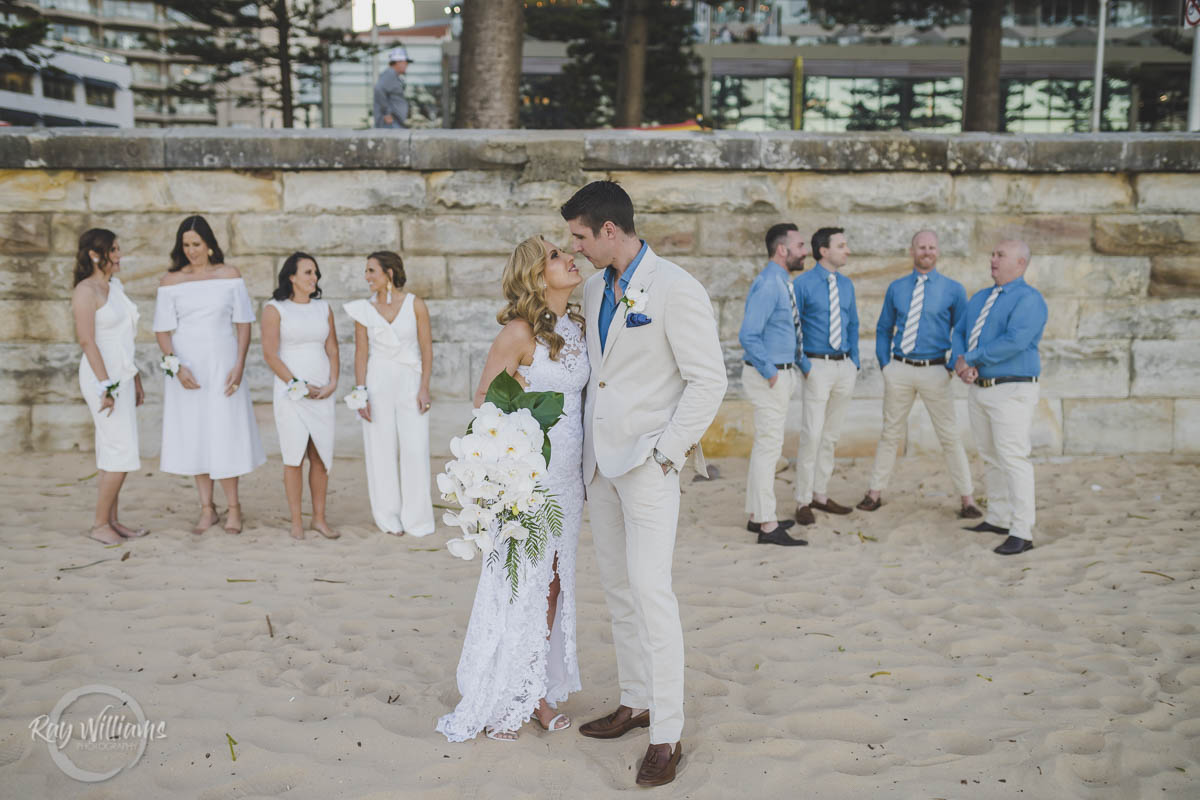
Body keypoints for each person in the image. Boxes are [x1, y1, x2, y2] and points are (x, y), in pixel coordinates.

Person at [564, 181, 726, 788]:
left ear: (609, 231)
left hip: (649, 464)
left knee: (652, 593)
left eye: (579, 235)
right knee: (617, 588)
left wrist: (666, 454)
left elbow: (708, 381)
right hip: (599, 466)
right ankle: (636, 702)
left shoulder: (676, 288)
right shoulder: (588, 285)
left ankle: (668, 733)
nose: (572, 246)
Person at [437, 236, 588, 743]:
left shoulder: (576, 327)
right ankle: (521, 695)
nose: (570, 257)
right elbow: (485, 400)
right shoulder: (519, 332)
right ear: (535, 274)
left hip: (571, 477)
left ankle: (535, 683)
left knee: (555, 584)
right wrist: (519, 454)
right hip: (532, 478)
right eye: (555, 255)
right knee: (524, 581)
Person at [857, 231, 982, 518]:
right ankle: (874, 493)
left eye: (932, 247)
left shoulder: (953, 290)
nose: (927, 251)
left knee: (949, 435)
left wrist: (952, 366)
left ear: (938, 252)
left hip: (936, 370)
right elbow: (883, 328)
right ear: (912, 251)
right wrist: (885, 364)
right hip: (899, 369)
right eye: (921, 247)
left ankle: (968, 499)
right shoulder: (896, 288)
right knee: (890, 433)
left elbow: (961, 331)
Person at [154, 215, 265, 535]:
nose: (191, 250)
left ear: (209, 244)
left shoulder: (229, 276)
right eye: (186, 245)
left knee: (224, 433)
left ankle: (234, 508)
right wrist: (175, 366)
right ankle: (207, 508)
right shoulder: (170, 281)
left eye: (196, 244)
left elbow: (244, 323)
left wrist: (240, 364)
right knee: (196, 434)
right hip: (188, 368)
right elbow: (162, 331)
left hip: (222, 364)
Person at [951, 240, 1047, 556]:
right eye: (992, 253)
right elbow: (960, 333)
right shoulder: (980, 297)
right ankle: (998, 517)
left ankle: (1022, 531)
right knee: (989, 455)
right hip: (980, 389)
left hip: (1012, 389)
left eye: (1000, 255)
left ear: (1020, 263)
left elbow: (1015, 341)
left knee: (1014, 458)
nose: (992, 258)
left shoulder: (1029, 300)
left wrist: (973, 358)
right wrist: (961, 363)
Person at [343, 251, 434, 537]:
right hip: (377, 380)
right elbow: (360, 354)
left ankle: (417, 518)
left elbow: (427, 349)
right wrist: (361, 394)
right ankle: (387, 516)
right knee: (380, 448)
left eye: (372, 271)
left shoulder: (415, 304)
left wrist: (424, 387)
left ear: (390, 273)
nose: (367, 277)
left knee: (415, 448)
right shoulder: (363, 309)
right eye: (366, 271)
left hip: (410, 380)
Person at [71, 228, 147, 544]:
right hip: (101, 376)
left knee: (111, 449)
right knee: (121, 448)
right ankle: (99, 524)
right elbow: (87, 340)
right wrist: (108, 385)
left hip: (122, 374)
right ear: (93, 254)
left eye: (118, 249)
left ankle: (113, 520)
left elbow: (125, 339)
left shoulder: (115, 286)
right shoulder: (85, 291)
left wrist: (136, 377)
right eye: (112, 250)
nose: (118, 255)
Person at [737, 223, 809, 546]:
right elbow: (748, 334)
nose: (804, 250)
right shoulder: (769, 284)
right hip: (769, 377)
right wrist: (772, 373)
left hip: (781, 373)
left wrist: (800, 365)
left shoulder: (783, 282)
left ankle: (757, 515)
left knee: (766, 448)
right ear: (783, 249)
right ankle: (768, 525)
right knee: (769, 450)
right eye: (800, 245)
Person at [262, 252, 339, 541]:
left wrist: (332, 382)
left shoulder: (323, 308)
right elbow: (270, 354)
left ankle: (319, 518)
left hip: (322, 392)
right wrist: (296, 384)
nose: (314, 278)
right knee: (294, 455)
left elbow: (332, 348)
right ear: (291, 276)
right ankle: (296, 520)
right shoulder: (275, 309)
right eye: (308, 272)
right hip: (291, 393)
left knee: (320, 457)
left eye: (316, 273)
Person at [792, 227, 860, 526]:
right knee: (812, 434)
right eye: (841, 245)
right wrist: (804, 363)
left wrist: (854, 362)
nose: (847, 250)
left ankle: (820, 493)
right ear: (823, 251)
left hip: (844, 366)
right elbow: (793, 326)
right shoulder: (802, 284)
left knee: (831, 436)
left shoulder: (847, 285)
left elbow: (854, 324)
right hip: (816, 366)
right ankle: (802, 500)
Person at [373, 45, 412, 128]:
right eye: (405, 62)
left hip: (395, 121)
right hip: (390, 122)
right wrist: (387, 113)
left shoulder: (393, 75)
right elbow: (378, 89)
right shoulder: (390, 74)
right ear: (398, 62)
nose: (407, 65)